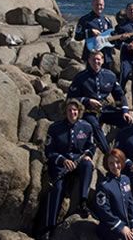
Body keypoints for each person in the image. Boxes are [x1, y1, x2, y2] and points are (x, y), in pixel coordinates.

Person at [42, 99, 95, 239]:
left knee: (88, 164)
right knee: (57, 189)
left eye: (75, 110)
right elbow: (49, 151)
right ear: (65, 112)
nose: (73, 112)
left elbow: (91, 146)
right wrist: (63, 160)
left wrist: (88, 155)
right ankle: (49, 227)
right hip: (60, 166)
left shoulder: (87, 127)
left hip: (78, 164)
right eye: (70, 110)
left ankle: (82, 202)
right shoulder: (55, 128)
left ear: (79, 111)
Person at [68, 50, 132, 153]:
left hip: (105, 108)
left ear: (102, 61)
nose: (96, 62)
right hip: (88, 111)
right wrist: (88, 101)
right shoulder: (80, 77)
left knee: (126, 121)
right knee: (94, 125)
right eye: (93, 59)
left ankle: (124, 150)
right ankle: (108, 154)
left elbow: (119, 95)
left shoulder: (110, 75)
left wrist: (125, 111)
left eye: (98, 59)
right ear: (89, 60)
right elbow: (71, 98)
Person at [94, 148, 133, 240]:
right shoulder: (104, 186)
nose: (115, 166)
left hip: (126, 225)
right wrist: (121, 227)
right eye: (111, 163)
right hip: (110, 228)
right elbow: (103, 211)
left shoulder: (126, 179)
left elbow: (130, 203)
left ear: (122, 162)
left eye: (117, 162)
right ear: (107, 165)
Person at [74, 0, 115, 67]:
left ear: (104, 6)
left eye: (101, 5)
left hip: (106, 56)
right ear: (92, 5)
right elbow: (77, 37)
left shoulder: (107, 20)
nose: (99, 7)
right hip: (92, 56)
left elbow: (112, 36)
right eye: (97, 5)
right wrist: (90, 32)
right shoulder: (84, 20)